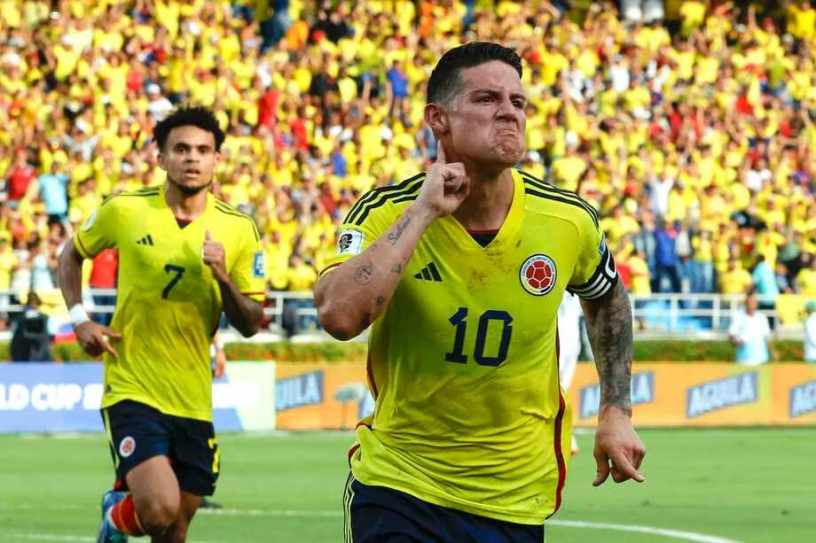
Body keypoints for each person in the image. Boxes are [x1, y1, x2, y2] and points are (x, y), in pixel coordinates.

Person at [315, 42, 645, 543]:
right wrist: (423, 214)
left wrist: (615, 413)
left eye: (518, 101)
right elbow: (339, 316)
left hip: (514, 493)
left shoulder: (566, 220)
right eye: (487, 99)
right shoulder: (387, 212)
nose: (509, 112)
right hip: (401, 483)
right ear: (438, 119)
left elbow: (607, 298)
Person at [57, 106, 265, 543]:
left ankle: (121, 513)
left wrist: (223, 277)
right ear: (161, 157)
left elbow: (251, 322)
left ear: (217, 160)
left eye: (203, 150)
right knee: (158, 509)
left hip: (193, 398)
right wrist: (80, 319)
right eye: (181, 149)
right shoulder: (126, 210)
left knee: (174, 529)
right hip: (132, 386)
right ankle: (116, 519)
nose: (192, 158)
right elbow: (71, 254)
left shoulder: (239, 229)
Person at [557, 291, 583, 455]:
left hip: (573, 340)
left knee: (563, 388)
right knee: (556, 388)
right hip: (558, 337)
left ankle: (565, 435)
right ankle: (565, 437)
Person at [728, 290, 773, 365]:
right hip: (744, 361)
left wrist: (771, 352)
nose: (752, 303)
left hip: (761, 360)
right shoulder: (738, 316)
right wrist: (737, 342)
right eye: (750, 301)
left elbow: (767, 337)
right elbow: (731, 335)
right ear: (746, 302)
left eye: (754, 301)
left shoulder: (762, 317)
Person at [10, 291, 51, 362]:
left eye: (34, 303)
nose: (33, 305)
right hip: (24, 353)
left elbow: (46, 336)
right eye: (32, 303)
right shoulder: (20, 318)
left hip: (39, 352)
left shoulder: (44, 318)